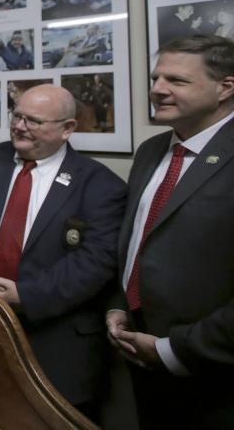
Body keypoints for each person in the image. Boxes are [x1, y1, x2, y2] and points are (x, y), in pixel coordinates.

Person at [0, 85, 126, 420]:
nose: (19, 126)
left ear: (67, 129)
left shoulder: (100, 185)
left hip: (51, 337)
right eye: (17, 115)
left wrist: (26, 294)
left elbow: (96, 260)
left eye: (34, 121)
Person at [106, 35, 234, 429]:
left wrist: (174, 350)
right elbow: (136, 243)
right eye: (156, 77)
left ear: (224, 88)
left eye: (176, 80)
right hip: (140, 355)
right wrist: (117, 305)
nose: (157, 89)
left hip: (214, 374)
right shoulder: (151, 151)